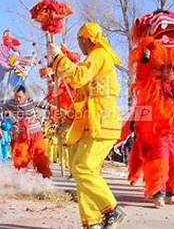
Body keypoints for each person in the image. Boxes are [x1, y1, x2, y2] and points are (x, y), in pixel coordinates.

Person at [48, 22, 126, 229]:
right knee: (84, 169)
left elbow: (78, 77)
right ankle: (92, 222)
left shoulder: (99, 54)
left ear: (87, 39)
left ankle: (111, 208)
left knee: (82, 167)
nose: (79, 44)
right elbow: (81, 85)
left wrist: (58, 58)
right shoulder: (96, 57)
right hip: (91, 121)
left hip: (101, 121)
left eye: (79, 40)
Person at [0, 85, 52, 178]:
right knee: (20, 157)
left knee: (40, 156)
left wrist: (56, 108)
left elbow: (46, 105)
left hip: (35, 133)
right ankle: (22, 180)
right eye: (15, 97)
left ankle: (45, 179)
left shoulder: (31, 101)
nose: (17, 99)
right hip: (22, 134)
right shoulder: (11, 103)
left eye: (19, 97)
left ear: (24, 95)